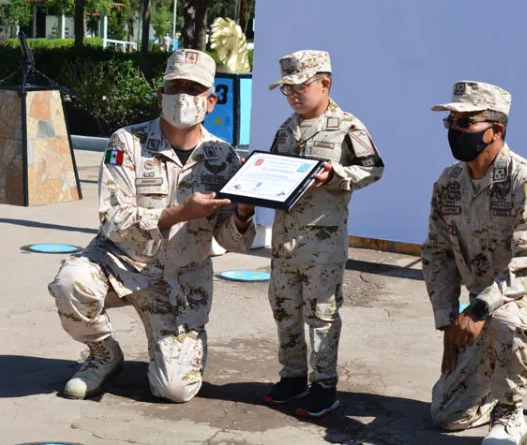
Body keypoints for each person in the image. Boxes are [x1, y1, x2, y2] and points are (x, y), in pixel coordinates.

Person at [48, 49, 256, 403]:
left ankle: (169, 350)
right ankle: (103, 355)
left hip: (179, 281)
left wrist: (244, 212)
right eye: (175, 87)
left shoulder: (224, 158)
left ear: (211, 101)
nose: (183, 97)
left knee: (174, 390)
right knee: (71, 282)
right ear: (161, 95)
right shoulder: (127, 143)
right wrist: (178, 213)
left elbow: (232, 241)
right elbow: (113, 219)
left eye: (194, 89)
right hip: (120, 265)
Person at [421, 80, 527, 444]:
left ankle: (510, 415)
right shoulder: (448, 184)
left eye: (465, 122)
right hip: (484, 310)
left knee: (506, 318)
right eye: (451, 122)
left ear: (496, 130)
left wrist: (478, 309)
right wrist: (447, 322)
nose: (455, 130)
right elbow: (437, 254)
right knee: (447, 415)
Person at [263, 50, 385, 417]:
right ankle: (293, 378)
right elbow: (271, 170)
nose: (294, 96)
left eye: (300, 87)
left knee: (322, 316)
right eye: (287, 90)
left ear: (325, 83)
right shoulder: (286, 128)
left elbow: (374, 170)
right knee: (284, 310)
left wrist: (337, 176)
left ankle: (325, 385)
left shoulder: (348, 126)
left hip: (323, 243)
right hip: (284, 243)